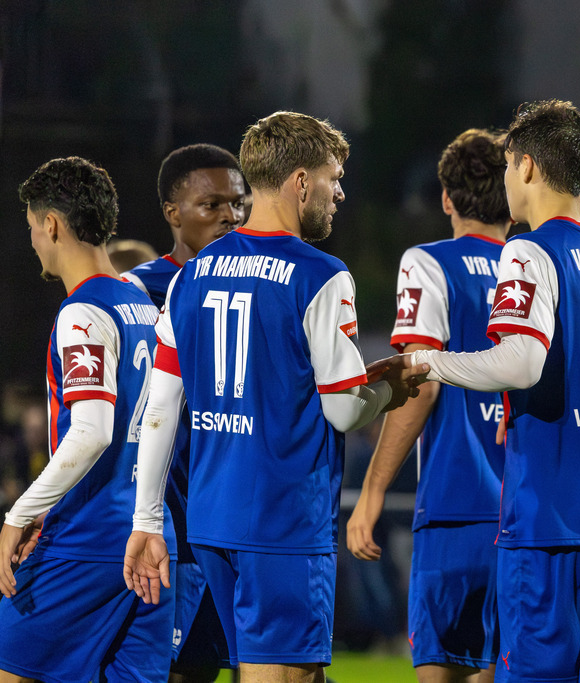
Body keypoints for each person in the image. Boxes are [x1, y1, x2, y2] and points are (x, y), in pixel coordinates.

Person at [381, 99, 580, 681]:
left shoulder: (529, 250)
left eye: (505, 168)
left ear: (525, 168)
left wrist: (430, 363)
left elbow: (521, 364)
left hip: (551, 510)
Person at [123, 111, 428, 683]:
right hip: (282, 521)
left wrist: (146, 521)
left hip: (212, 523)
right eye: (334, 177)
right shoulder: (320, 275)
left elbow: (159, 408)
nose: (340, 193)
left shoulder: (192, 275)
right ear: (301, 181)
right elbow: (342, 408)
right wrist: (387, 389)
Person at [0, 156, 177, 681]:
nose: (33, 239)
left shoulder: (83, 313)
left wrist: (17, 515)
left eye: (32, 226)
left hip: (88, 539)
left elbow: (93, 429)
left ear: (50, 223)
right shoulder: (146, 306)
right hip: (149, 539)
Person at [346, 128, 511, 681]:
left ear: (446, 198)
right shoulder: (539, 267)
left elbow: (424, 382)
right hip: (529, 512)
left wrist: (371, 492)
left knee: (441, 669)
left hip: (456, 507)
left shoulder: (429, 262)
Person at [125, 143, 247, 683]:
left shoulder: (259, 283)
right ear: (173, 214)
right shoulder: (139, 292)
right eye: (212, 204)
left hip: (239, 510)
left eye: (237, 204)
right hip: (168, 518)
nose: (229, 216)